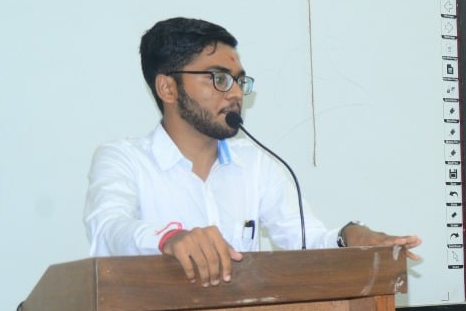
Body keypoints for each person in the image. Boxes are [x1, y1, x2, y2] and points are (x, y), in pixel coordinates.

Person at [84, 17, 420, 285]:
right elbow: (108, 229)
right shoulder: (124, 159)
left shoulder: (256, 164)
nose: (235, 94)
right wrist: (168, 239)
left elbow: (306, 242)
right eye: (218, 79)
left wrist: (348, 238)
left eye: (239, 81)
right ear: (168, 88)